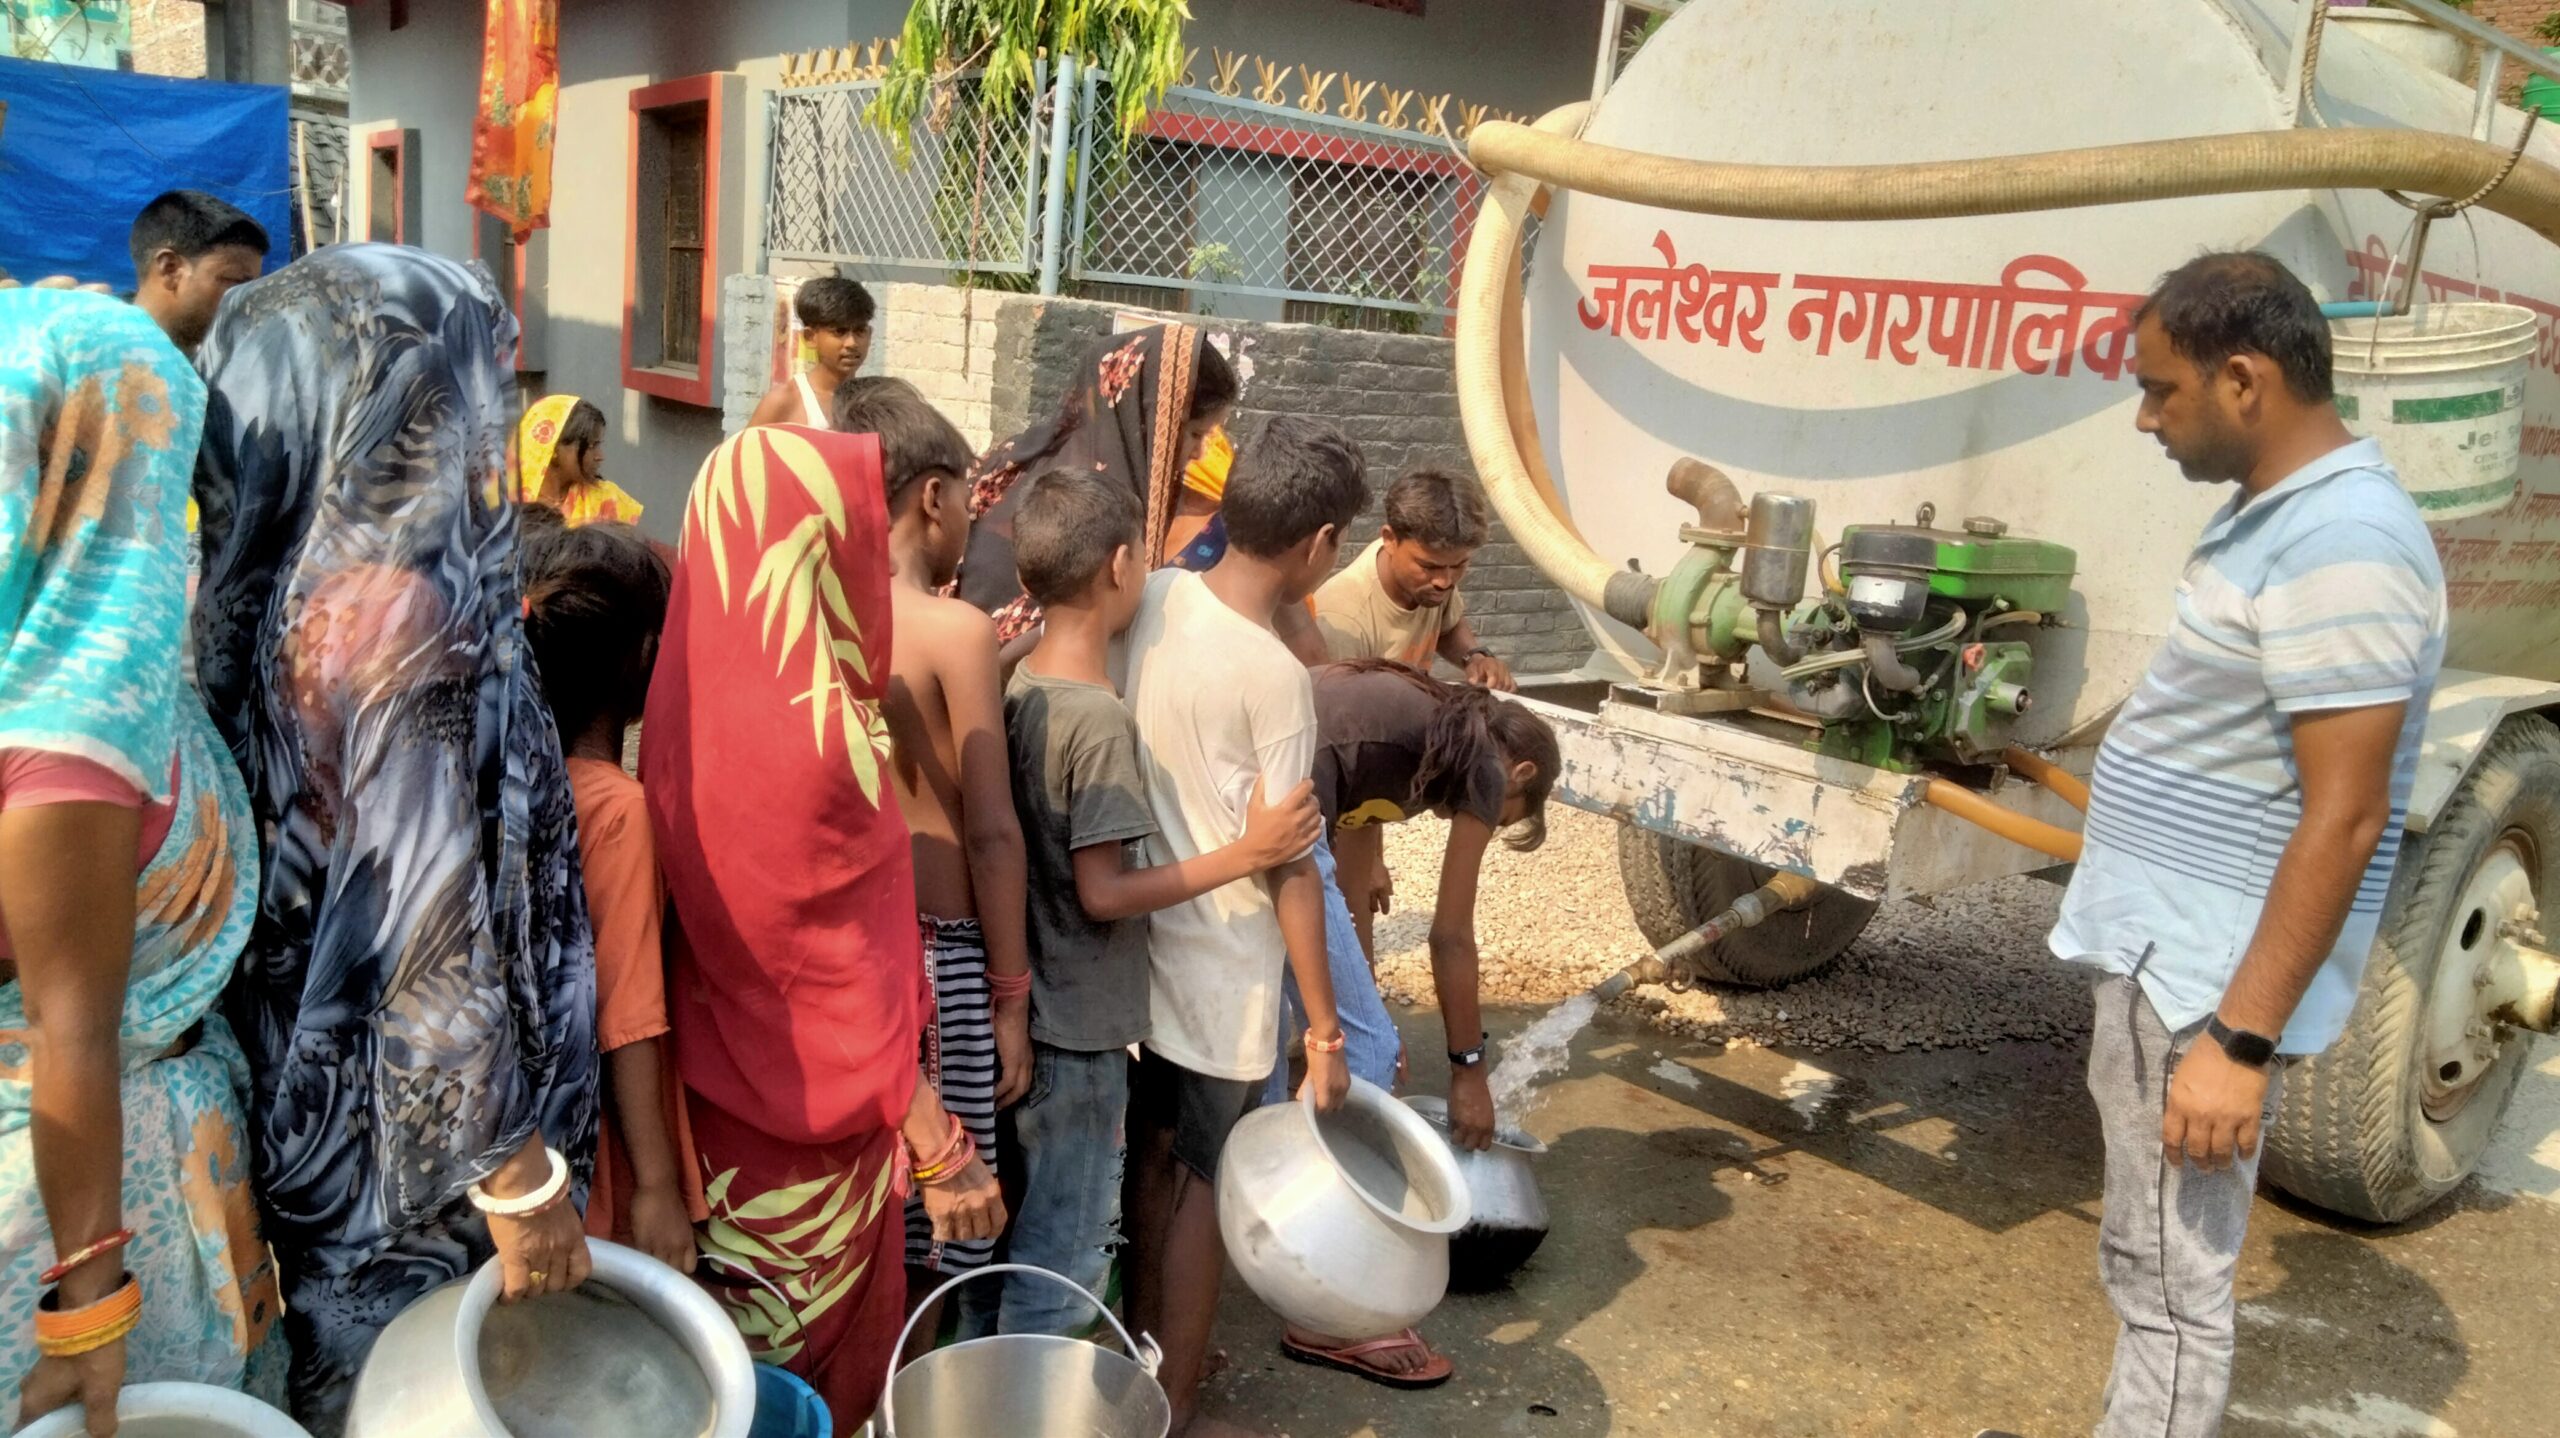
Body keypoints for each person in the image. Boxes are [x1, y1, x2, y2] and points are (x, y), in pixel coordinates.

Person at [2023, 252, 2445, 1438]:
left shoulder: (2342, 543)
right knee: (2151, 1261)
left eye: (2160, 389)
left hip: (2202, 986)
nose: (2145, 417)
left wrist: (2238, 1042)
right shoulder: (2287, 517)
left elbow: (2347, 812)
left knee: (2167, 1281)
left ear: (2244, 381)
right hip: (2177, 958)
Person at [192, 245, 597, 1431]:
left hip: (318, 1123)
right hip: (421, 1181)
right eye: (472, 384)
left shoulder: (264, 590)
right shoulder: (395, 617)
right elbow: (425, 912)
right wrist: (514, 1174)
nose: (490, 423)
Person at [643, 419, 1003, 1426]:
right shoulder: (813, 741)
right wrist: (937, 1139)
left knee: (736, 1370)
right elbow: (820, 961)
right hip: (813, 1128)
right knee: (809, 1377)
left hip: (724, 1102)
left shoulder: (691, 699)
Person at [2, 288, 282, 1435]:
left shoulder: (64, 658)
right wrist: (90, 1313)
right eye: (155, 461)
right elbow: (70, 1028)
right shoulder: (69, 726)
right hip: (88, 1211)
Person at [994, 465, 1323, 1338]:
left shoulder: (1023, 688)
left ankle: (1007, 1377)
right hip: (1082, 1028)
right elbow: (1103, 892)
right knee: (1065, 1258)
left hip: (1042, 1007)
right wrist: (1247, 853)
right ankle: (1034, 1394)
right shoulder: (1099, 720)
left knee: (1031, 1234)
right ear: (1118, 566)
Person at [1121, 415, 1362, 1437]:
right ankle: (1174, 1407)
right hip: (1222, 970)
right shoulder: (1277, 678)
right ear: (1319, 544)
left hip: (1137, 943)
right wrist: (1326, 1031)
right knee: (1201, 1184)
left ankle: (1141, 1366)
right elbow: (1291, 865)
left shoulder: (1156, 595)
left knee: (1149, 1161)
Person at [1262, 657, 1561, 1384]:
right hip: (1279, 825)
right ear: (1520, 772)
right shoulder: (1484, 764)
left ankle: (1273, 1242)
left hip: (1239, 801)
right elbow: (1450, 935)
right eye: (1507, 814)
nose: (1486, 819)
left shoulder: (1436, 720)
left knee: (1268, 1045)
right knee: (1366, 1050)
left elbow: (1347, 814)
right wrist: (1468, 1071)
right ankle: (1338, 1305)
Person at [829, 377, 1033, 1328]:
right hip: (939, 962)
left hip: (845, 963)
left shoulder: (813, 620)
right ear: (933, 497)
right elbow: (991, 831)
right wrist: (1011, 997)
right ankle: (917, 1391)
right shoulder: (957, 630)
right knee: (943, 1236)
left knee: (866, 1215)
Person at [518, 520, 701, 1274]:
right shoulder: (623, 812)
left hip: (534, 1136)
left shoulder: (520, 784)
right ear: (648, 656)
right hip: (606, 1148)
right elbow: (628, 1014)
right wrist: (656, 1185)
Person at [957, 324, 1239, 644]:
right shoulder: (1096, 510)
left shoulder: (1017, 457)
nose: (1201, 453)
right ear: (1148, 422)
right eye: (1196, 434)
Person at [1311, 468, 1515, 691]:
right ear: (1390, 539)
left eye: (1459, 565)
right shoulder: (1343, 620)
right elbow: (1341, 706)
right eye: (1429, 566)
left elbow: (1448, 626)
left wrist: (1474, 658)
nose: (1445, 581)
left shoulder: (1432, 577)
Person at [127, 191, 268, 354]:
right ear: (170, 269)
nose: (249, 303)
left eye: (251, 288)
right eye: (236, 283)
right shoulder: (107, 353)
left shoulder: (229, 360)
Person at [749, 275, 875, 428]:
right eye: (839, 331)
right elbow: (748, 444)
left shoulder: (875, 403)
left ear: (870, 334)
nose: (852, 343)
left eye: (860, 331)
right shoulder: (784, 402)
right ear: (810, 337)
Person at [517, 394, 644, 527]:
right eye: (592, 446)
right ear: (553, 449)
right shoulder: (509, 500)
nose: (600, 456)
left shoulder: (607, 500)